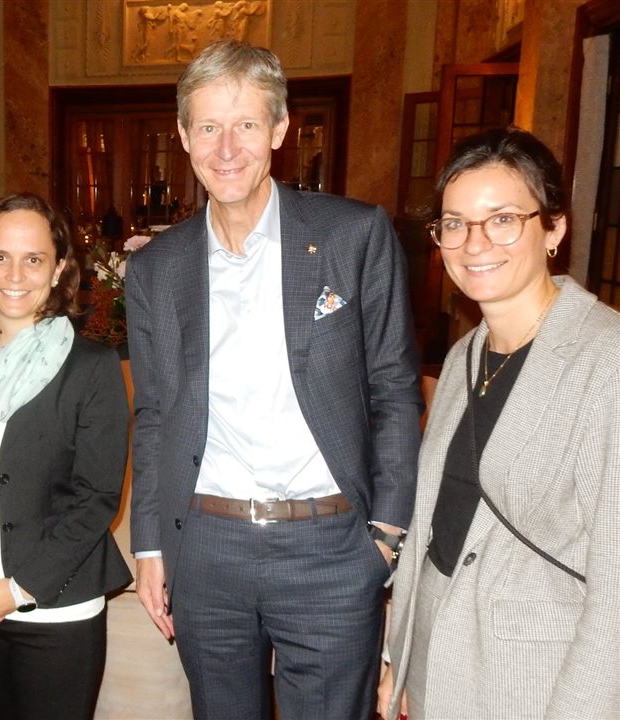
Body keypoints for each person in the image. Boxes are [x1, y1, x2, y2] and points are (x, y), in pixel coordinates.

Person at [125, 39, 423, 719]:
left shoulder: (354, 234)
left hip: (331, 548)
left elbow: (394, 389)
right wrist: (150, 543)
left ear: (280, 131)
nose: (226, 148)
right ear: (183, 136)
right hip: (206, 547)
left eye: (246, 125)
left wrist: (386, 536)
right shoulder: (156, 270)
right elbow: (156, 414)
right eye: (208, 127)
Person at [378, 128, 620, 719]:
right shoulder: (465, 354)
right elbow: (435, 518)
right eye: (455, 223)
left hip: (534, 677)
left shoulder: (605, 360)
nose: (474, 243)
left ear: (554, 228)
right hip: (439, 651)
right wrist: (399, 659)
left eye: (503, 218)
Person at [0, 193, 132, 720]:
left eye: (33, 258)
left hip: (55, 605)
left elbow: (96, 499)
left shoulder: (91, 368)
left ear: (59, 268)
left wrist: (19, 588)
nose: (15, 273)